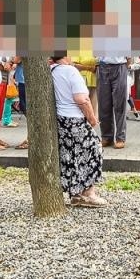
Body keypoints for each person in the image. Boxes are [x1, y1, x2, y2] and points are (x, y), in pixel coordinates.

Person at [51, 51, 107, 206]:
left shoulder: (52, 71)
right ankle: (89, 193)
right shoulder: (71, 71)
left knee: (71, 156)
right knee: (93, 151)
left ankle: (75, 193)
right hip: (75, 118)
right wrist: (92, 119)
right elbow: (82, 99)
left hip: (61, 119)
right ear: (66, 55)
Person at [96, 51, 130, 148]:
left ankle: (120, 138)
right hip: (102, 67)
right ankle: (106, 137)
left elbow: (129, 59)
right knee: (104, 105)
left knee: (119, 105)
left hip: (119, 66)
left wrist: (123, 69)